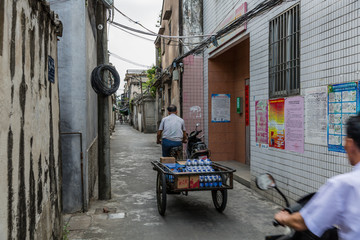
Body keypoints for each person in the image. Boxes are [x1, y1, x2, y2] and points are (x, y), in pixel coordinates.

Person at [274, 114, 360, 240]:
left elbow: (303, 222)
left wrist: (284, 218)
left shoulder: (343, 184)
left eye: (345, 140)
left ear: (350, 143)